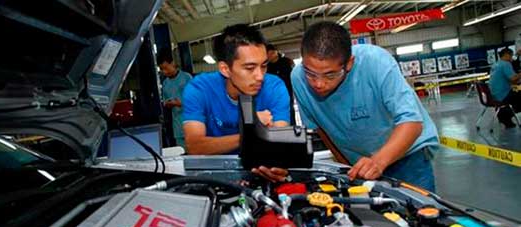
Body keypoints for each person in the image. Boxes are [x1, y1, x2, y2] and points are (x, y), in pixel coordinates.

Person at [253, 21, 439, 192]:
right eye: (311, 73)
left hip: (407, 157)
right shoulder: (298, 78)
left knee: (422, 217)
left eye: (330, 75)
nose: (318, 84)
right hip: (359, 165)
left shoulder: (376, 62)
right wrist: (346, 166)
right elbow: (321, 130)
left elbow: (412, 122)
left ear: (349, 63)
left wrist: (377, 162)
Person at [182, 24, 291, 155]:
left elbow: (278, 143)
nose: (260, 76)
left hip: (259, 166)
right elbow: (194, 146)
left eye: (263, 66)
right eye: (250, 68)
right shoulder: (199, 89)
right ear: (225, 69)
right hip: (214, 171)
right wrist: (253, 131)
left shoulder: (274, 87)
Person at [157, 50, 193, 149]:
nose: (164, 72)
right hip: (178, 128)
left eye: (166, 68)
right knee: (182, 156)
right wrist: (168, 104)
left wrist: (180, 103)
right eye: (161, 69)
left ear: (172, 63)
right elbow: (165, 102)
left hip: (192, 124)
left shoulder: (187, 78)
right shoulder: (165, 84)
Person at [489, 48, 521, 128]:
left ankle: (505, 118)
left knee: (516, 93)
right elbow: (513, 78)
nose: (511, 58)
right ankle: (506, 115)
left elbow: (509, 80)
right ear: (507, 55)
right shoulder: (506, 64)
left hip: (494, 95)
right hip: (503, 95)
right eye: (511, 56)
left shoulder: (496, 64)